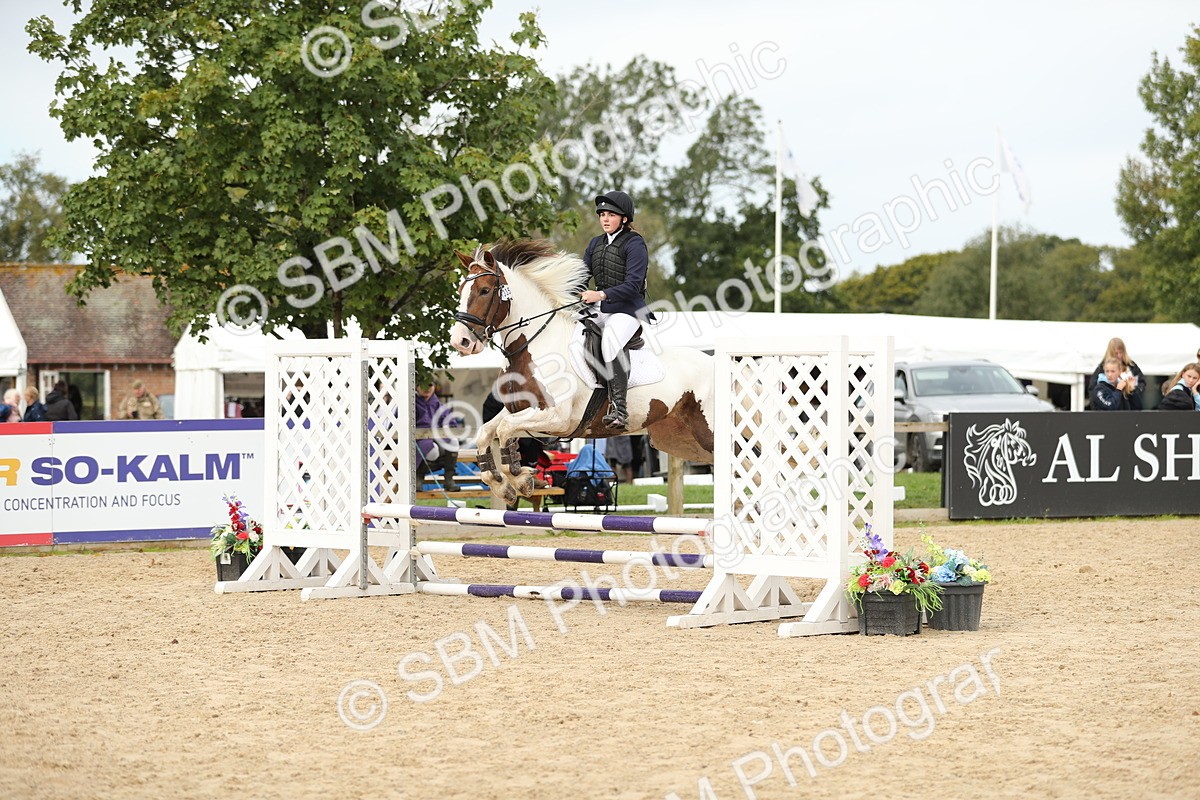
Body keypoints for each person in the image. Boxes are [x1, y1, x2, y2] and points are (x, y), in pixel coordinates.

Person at [580, 190, 652, 431]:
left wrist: (599, 294)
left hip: (628, 309)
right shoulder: (595, 243)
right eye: (602, 214)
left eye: (611, 214)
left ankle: (619, 409)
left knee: (611, 339)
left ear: (624, 218)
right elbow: (582, 275)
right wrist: (575, 292)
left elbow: (633, 285)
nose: (605, 219)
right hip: (601, 307)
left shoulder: (635, 243)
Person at [415, 383, 460, 491]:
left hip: (439, 441)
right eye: (423, 385)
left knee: (453, 442)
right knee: (432, 450)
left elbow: (453, 426)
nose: (427, 388)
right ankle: (418, 477)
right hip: (419, 441)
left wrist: (445, 428)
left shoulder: (440, 406)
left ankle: (448, 479)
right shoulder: (410, 405)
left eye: (430, 385)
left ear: (434, 387)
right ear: (416, 387)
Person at [1087, 338, 1145, 410]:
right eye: (1107, 371)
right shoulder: (1100, 385)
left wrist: (1133, 390)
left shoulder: (1131, 366)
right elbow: (1110, 405)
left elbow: (1138, 406)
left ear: (1120, 372)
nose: (1119, 356)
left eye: (1121, 353)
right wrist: (1118, 390)